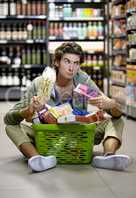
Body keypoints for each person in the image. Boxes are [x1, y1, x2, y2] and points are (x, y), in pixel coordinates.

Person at [4, 42, 131, 172]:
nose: (71, 68)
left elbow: (115, 113)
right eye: (67, 61)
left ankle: (108, 157)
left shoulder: (83, 82)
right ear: (57, 62)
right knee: (11, 127)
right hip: (49, 137)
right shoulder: (41, 84)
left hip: (79, 137)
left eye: (76, 63)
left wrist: (112, 104)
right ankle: (37, 159)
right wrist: (27, 111)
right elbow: (9, 119)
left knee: (117, 120)